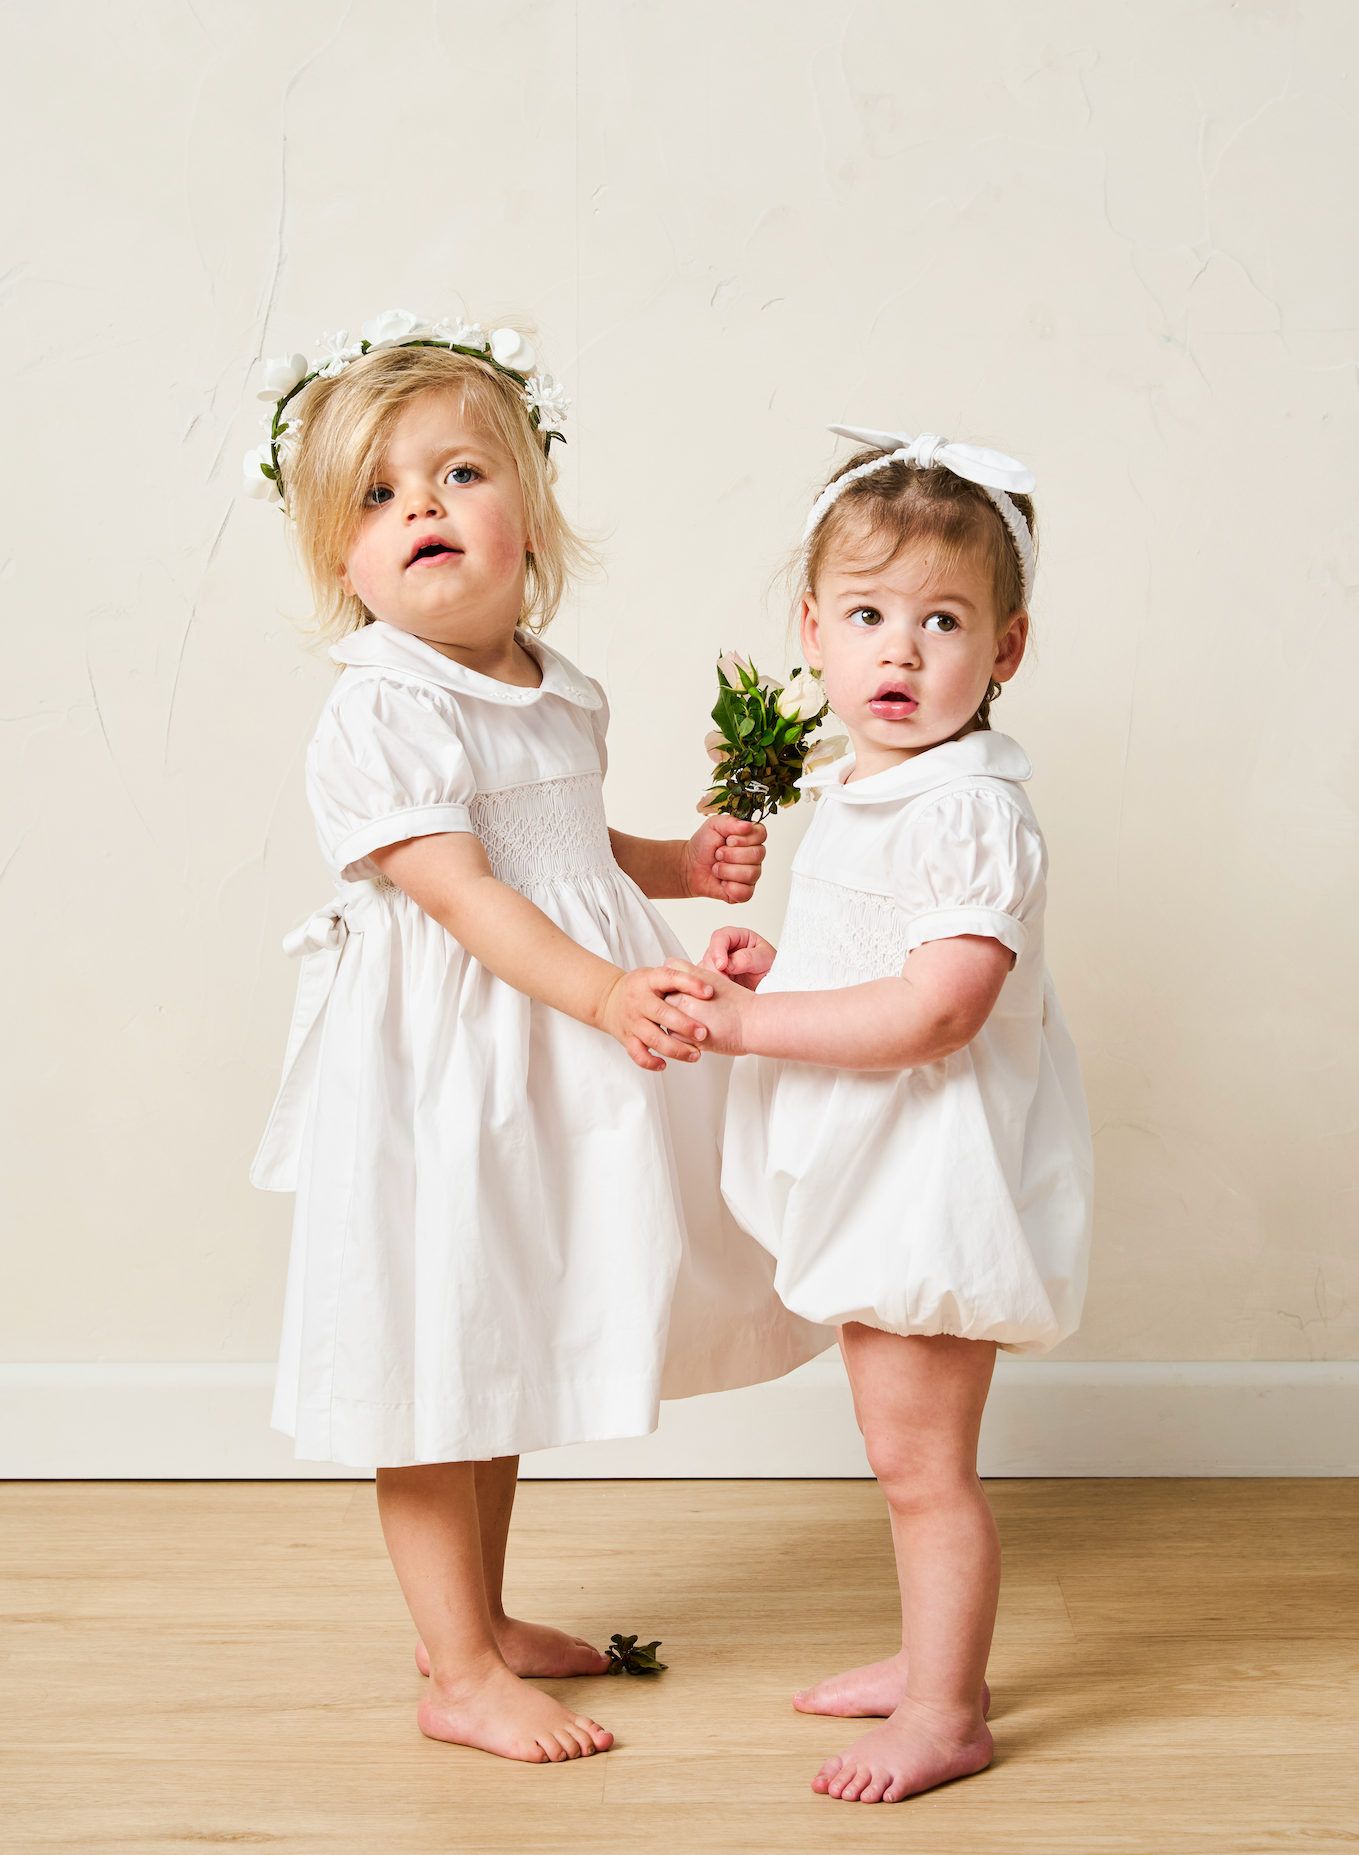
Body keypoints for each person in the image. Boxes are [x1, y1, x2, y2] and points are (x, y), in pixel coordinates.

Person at [245, 316, 828, 1768]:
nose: (423, 509)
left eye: (456, 473)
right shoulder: (382, 708)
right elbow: (465, 893)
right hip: (447, 1065)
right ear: (342, 564)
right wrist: (606, 997)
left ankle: (485, 1625)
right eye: (377, 499)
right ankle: (453, 1671)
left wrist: (681, 868)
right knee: (434, 1342)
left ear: (533, 515)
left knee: (489, 1331)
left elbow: (566, 847)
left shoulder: (556, 685)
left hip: (536, 1052)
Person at [671, 425, 1093, 1804]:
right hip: (875, 1155)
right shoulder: (865, 791)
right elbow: (869, 968)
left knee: (923, 1467)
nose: (899, 654)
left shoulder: (971, 811)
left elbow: (936, 1011)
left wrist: (743, 1025)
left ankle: (949, 1714)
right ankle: (931, 1666)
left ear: (1007, 649)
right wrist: (776, 972)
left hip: (932, 1172)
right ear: (813, 630)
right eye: (867, 617)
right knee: (896, 1451)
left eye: (943, 623)